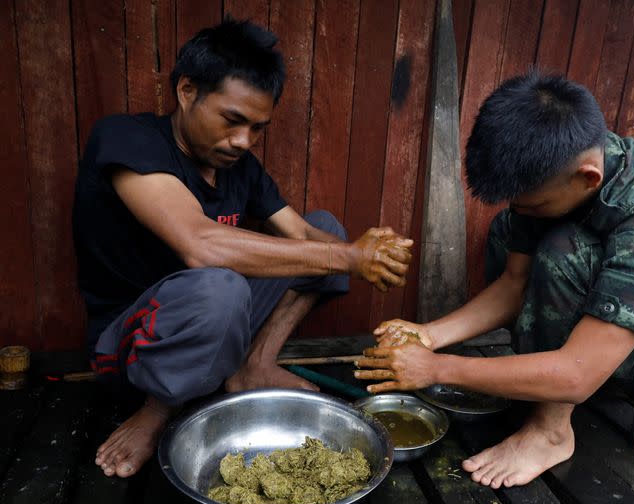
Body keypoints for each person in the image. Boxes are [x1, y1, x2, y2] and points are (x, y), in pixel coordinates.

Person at [354, 71, 634, 489]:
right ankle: (543, 393)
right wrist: (429, 336)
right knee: (521, 229)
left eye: (535, 202)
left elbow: (576, 376)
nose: (526, 210)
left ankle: (551, 432)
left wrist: (435, 368)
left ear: (588, 178)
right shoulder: (560, 166)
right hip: (614, 338)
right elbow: (514, 284)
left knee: (564, 251)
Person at [72, 18, 413, 478]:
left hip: (215, 327)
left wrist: (371, 253)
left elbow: (304, 237)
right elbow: (199, 243)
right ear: (187, 90)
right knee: (221, 286)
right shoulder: (127, 140)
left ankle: (253, 366)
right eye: (232, 121)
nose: (243, 141)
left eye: (257, 128)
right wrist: (348, 256)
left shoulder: (239, 167)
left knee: (321, 229)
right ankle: (156, 412)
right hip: (131, 350)